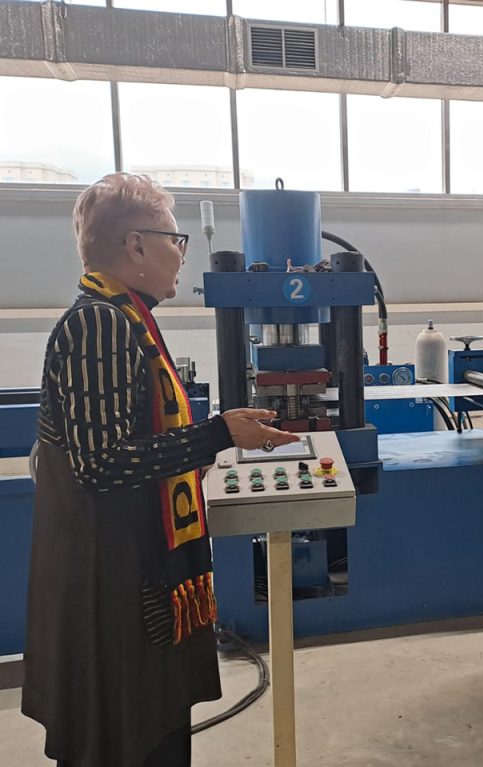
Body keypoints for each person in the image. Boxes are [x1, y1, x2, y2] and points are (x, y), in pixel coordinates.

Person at [21, 173, 298, 767]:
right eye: (176, 240)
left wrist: (215, 434)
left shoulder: (127, 321)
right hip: (111, 593)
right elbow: (101, 464)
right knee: (126, 742)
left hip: (132, 576)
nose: (181, 254)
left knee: (154, 736)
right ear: (136, 245)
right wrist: (219, 434)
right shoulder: (98, 325)